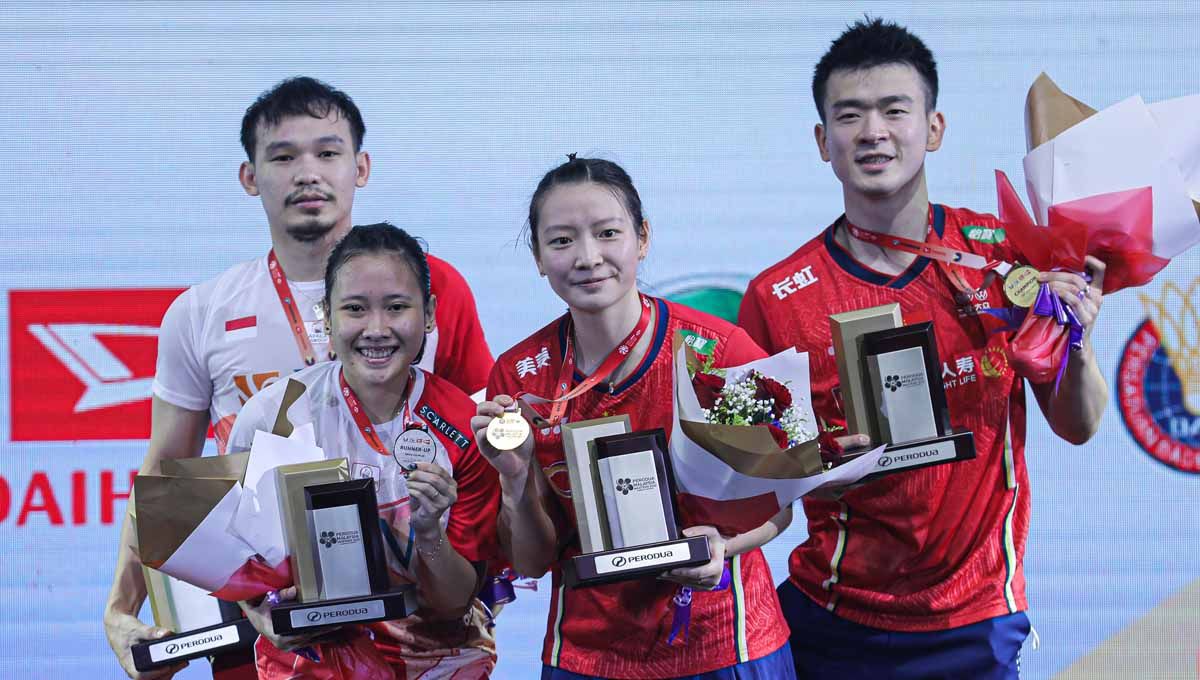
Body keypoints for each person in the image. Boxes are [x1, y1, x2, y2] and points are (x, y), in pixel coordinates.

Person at [737, 18, 1108, 679]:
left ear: (933, 129)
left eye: (894, 110)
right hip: (831, 617)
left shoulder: (1010, 258)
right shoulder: (775, 297)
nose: (873, 131)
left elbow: (1076, 425)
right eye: (849, 116)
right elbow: (746, 480)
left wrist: (1075, 339)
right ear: (824, 142)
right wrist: (818, 463)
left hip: (976, 618)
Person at [103, 77, 494, 679]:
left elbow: (480, 459)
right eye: (283, 156)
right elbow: (167, 478)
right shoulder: (201, 311)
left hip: (419, 633)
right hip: (269, 626)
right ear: (249, 177)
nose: (307, 172)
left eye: (327, 152)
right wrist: (120, 608)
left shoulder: (436, 289)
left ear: (360, 167)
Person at [472, 156, 796, 679]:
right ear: (537, 256)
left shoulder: (719, 351)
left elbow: (779, 506)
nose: (587, 257)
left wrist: (723, 544)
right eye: (561, 241)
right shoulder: (519, 379)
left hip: (724, 641)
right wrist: (513, 481)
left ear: (641, 238)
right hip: (588, 656)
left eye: (607, 233)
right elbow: (532, 562)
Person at [228, 222, 500, 679]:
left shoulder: (461, 427)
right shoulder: (274, 417)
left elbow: (455, 603)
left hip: (438, 662)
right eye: (355, 309)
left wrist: (430, 533)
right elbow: (234, 557)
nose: (376, 329)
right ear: (327, 316)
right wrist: (261, 617)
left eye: (396, 307)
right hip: (311, 664)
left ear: (430, 314)